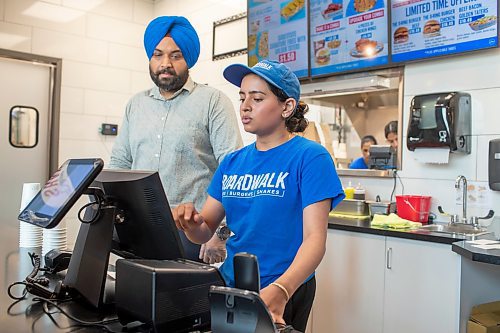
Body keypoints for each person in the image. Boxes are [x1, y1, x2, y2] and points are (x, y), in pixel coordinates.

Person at [173, 60, 345, 331]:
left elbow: (315, 239)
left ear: (287, 107)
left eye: (257, 98)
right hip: (232, 283)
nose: (245, 106)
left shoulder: (310, 157)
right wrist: (191, 224)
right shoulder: (232, 162)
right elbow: (205, 230)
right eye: (242, 97)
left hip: (284, 286)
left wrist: (282, 289)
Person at [109, 16, 242, 263]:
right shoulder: (136, 105)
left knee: (187, 301)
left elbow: (232, 170)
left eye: (176, 56)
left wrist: (221, 232)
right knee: (133, 298)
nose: (165, 63)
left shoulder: (213, 101)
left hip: (192, 233)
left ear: (188, 60)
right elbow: (120, 163)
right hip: (139, 228)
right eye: (158, 55)